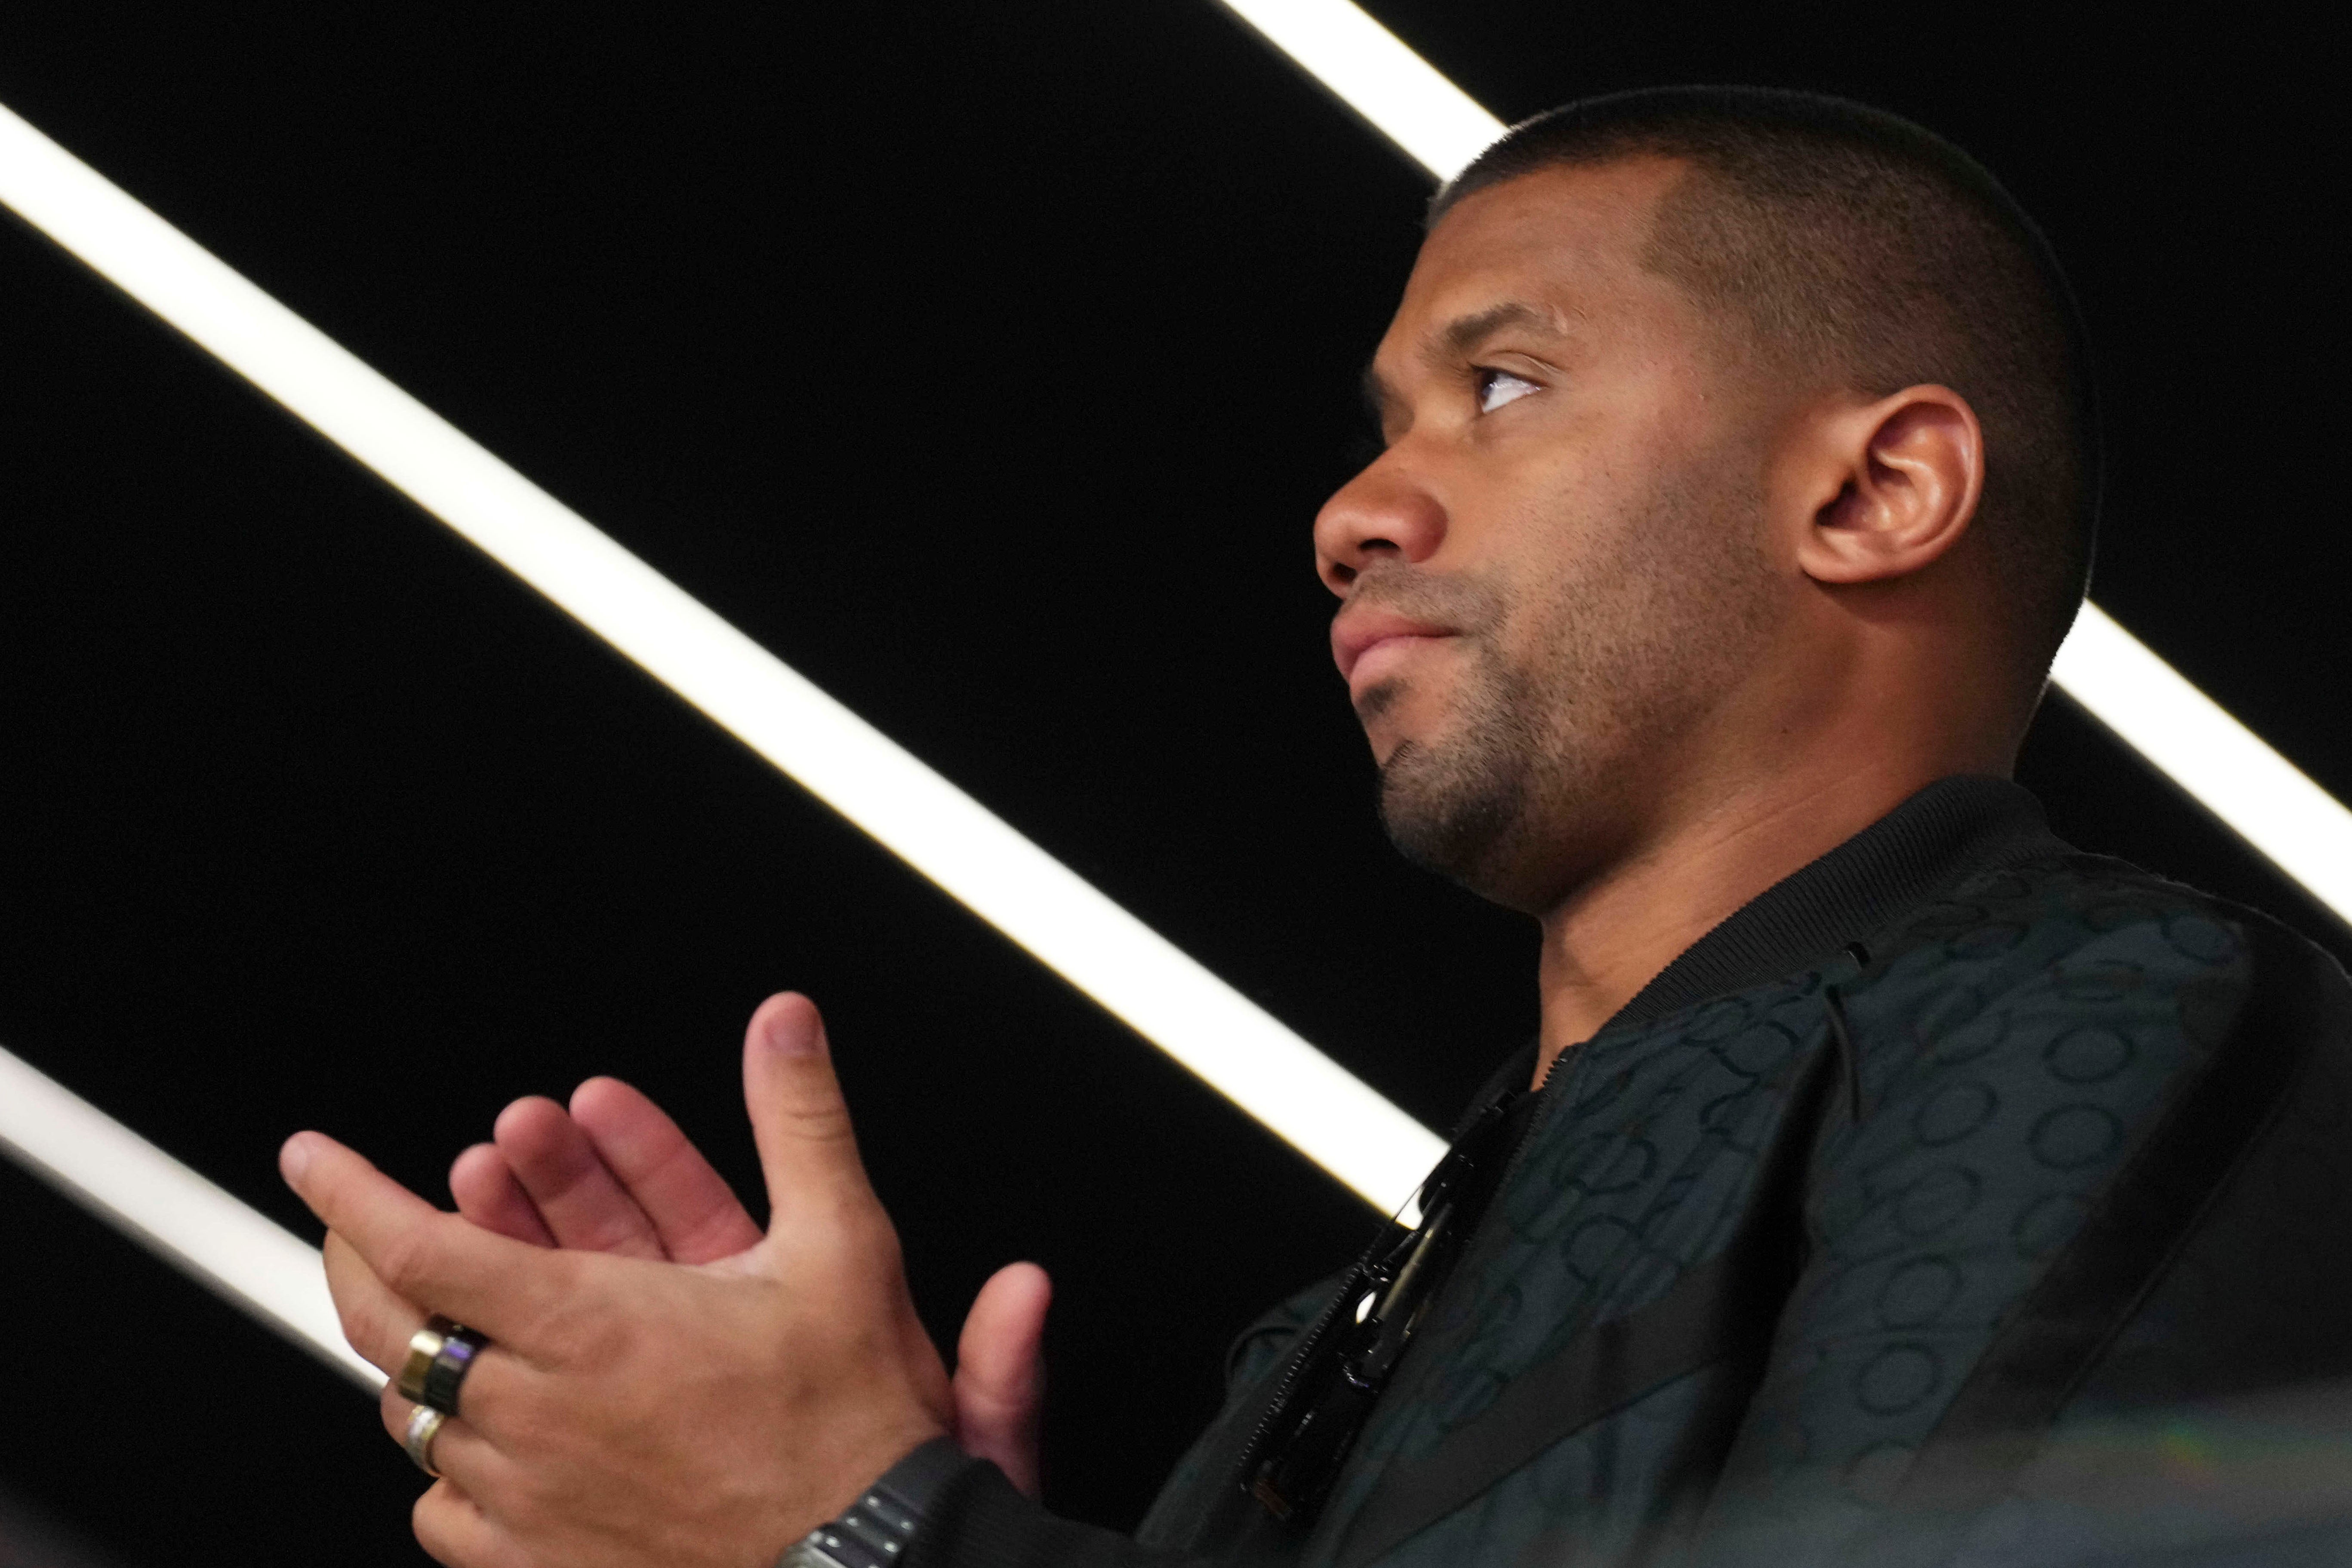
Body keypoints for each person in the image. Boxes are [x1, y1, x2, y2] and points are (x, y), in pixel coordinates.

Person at [280, 86, 2352, 1567]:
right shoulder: (1338, 1330)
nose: (1352, 513)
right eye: (1380, 429)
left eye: (1505, 389)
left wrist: (863, 1531)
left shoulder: (2124, 1019)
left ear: (1873, 494)